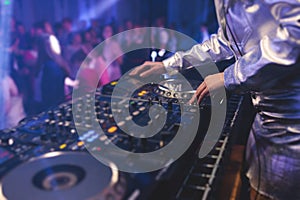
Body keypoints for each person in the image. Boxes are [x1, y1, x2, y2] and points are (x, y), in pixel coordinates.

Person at [130, 1, 300, 199]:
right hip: (266, 119)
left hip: (291, 125)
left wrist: (230, 76)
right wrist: (169, 65)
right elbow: (224, 42)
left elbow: (296, 34)